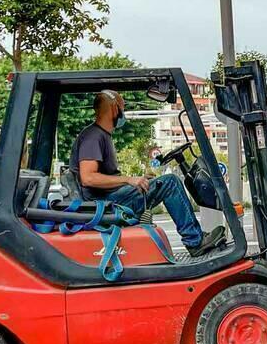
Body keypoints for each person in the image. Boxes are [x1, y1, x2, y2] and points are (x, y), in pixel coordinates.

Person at [69, 90, 223, 257]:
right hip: (104, 205)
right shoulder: (93, 137)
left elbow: (105, 177)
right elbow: (88, 178)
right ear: (114, 109)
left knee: (161, 183)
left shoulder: (101, 135)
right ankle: (195, 241)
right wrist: (129, 179)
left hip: (109, 199)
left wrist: (136, 180)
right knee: (170, 183)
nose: (123, 113)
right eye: (122, 108)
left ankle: (194, 238)